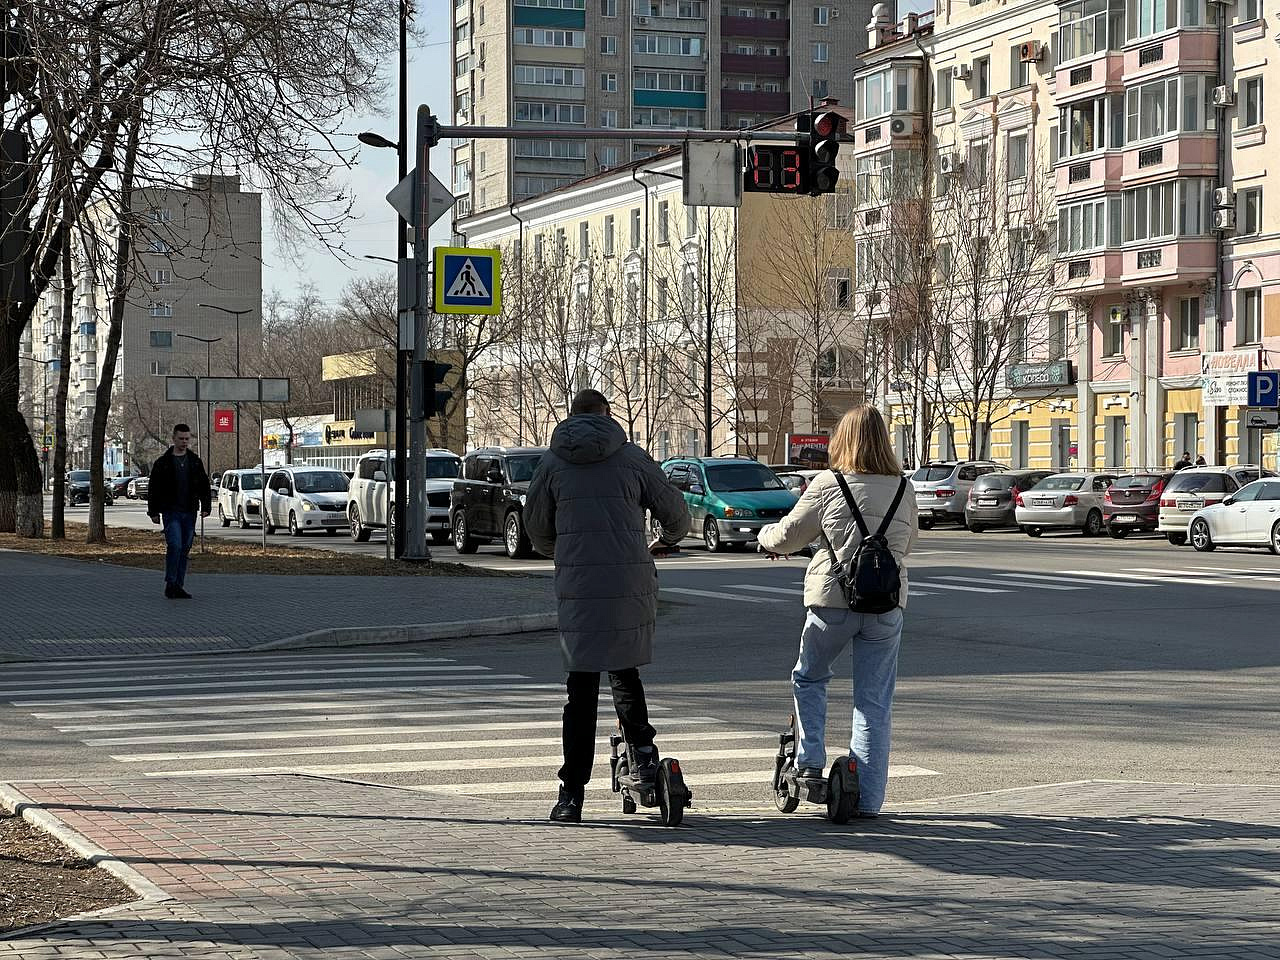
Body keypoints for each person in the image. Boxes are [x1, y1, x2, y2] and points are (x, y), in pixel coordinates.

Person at [524, 389, 690, 824]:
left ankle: (571, 794)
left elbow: (536, 529)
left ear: (572, 416)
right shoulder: (632, 457)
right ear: (608, 416)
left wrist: (562, 552)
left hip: (578, 584)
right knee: (625, 673)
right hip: (627, 582)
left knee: (580, 689)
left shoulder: (552, 462)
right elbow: (677, 515)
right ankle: (644, 755)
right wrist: (665, 541)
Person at [758, 405, 917, 819]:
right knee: (874, 701)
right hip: (886, 605)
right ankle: (867, 800)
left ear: (842, 441)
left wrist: (765, 539)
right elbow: (907, 542)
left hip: (833, 603)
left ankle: (809, 764)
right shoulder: (904, 487)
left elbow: (789, 535)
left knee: (809, 677)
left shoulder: (830, 483)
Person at [146, 423, 211, 599]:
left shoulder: (194, 461)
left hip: (189, 511)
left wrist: (206, 506)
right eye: (181, 439)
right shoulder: (163, 463)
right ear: (173, 438)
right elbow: (154, 488)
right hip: (170, 511)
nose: (184, 442)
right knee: (175, 544)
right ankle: (171, 582)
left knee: (185, 548)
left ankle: (178, 585)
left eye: (187, 439)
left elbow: (204, 484)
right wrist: (153, 511)